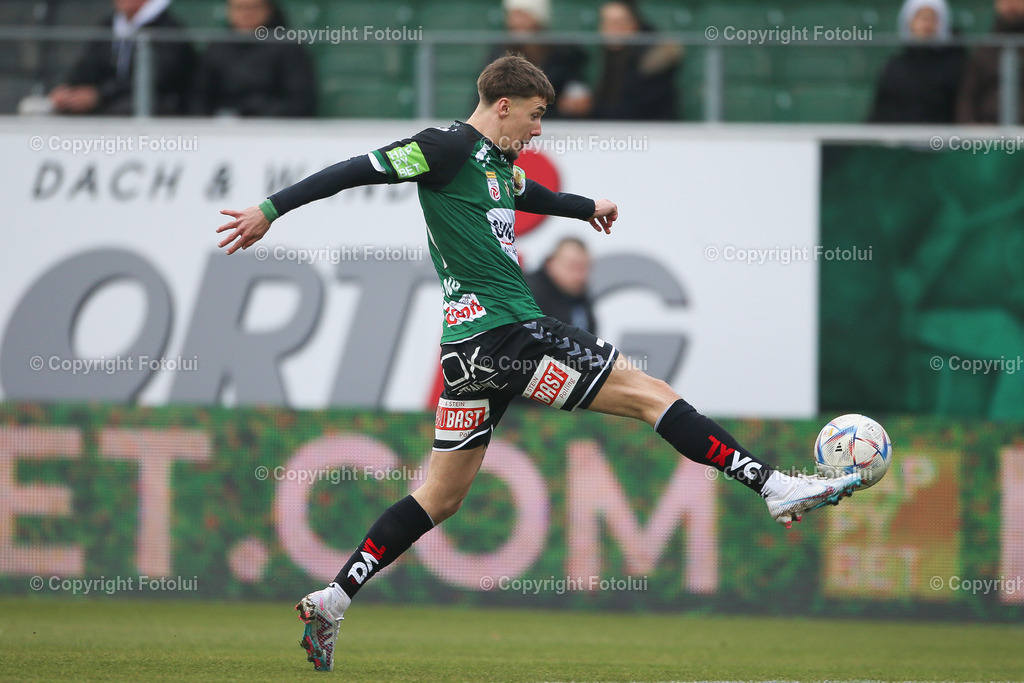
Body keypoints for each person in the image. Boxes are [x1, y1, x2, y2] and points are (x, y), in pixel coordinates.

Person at [215, 55, 861, 672]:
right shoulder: (442, 149)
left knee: (440, 495)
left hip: (467, 355)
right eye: (533, 114)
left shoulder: (498, 167)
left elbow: (531, 196)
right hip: (511, 331)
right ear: (502, 105)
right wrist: (268, 211)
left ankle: (333, 599)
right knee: (649, 392)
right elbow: (357, 168)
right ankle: (774, 487)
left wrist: (587, 208)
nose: (538, 127)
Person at [49, 0, 196, 116]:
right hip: (107, 103)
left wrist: (99, 95)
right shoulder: (108, 26)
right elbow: (88, 64)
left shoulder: (169, 30)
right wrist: (68, 88)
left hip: (157, 112)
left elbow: (155, 80)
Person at [191, 0, 316, 117]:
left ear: (268, 10)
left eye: (254, 7)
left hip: (274, 129)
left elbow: (300, 101)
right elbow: (199, 98)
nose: (247, 14)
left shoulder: (289, 48)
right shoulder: (216, 49)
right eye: (240, 8)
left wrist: (256, 111)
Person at [484, 0, 591, 118]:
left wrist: (576, 96)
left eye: (523, 16)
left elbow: (576, 87)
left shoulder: (564, 56)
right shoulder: (499, 56)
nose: (516, 22)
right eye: (512, 16)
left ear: (538, 19)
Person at [868, 0, 967, 123]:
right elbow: (879, 113)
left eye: (932, 18)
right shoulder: (894, 67)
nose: (927, 24)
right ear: (909, 22)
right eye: (921, 17)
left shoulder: (956, 67)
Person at [586, 0, 682, 120]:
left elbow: (632, 109)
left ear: (634, 25)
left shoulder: (650, 62)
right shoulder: (603, 57)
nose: (613, 29)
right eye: (607, 22)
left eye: (619, 23)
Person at [956, 0, 1024, 123]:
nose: (1011, 5)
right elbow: (967, 97)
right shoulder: (984, 49)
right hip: (988, 132)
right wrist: (972, 128)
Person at [526, 237, 598, 333]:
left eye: (585, 268)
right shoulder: (527, 295)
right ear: (551, 263)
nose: (580, 276)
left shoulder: (580, 297)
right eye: (573, 267)